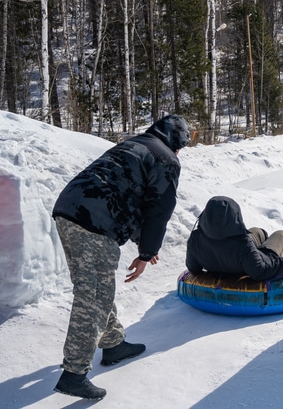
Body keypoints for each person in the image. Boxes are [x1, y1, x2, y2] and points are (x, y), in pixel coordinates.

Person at [51, 114, 191, 400]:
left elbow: (126, 193)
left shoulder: (135, 145)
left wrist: (144, 247)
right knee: (93, 295)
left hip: (69, 209)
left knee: (95, 285)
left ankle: (113, 343)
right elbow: (158, 211)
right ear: (177, 143)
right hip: (94, 221)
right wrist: (147, 252)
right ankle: (74, 374)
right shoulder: (166, 159)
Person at [185, 195, 283, 283]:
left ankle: (263, 237)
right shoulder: (243, 245)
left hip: (233, 254)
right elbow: (260, 271)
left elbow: (193, 267)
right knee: (281, 235)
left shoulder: (195, 238)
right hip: (260, 259)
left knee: (258, 231)